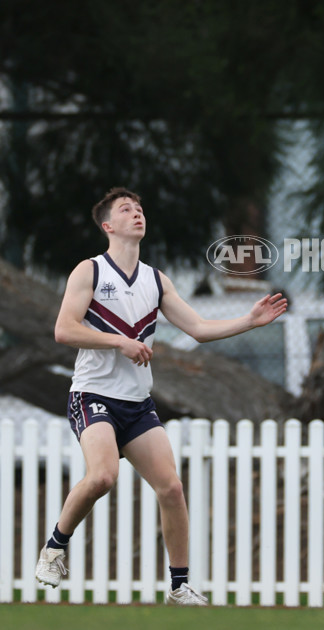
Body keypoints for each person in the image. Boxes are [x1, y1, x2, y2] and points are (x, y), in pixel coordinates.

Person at [35, 187, 287, 605]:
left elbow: (200, 329)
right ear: (108, 226)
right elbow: (64, 330)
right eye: (125, 210)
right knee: (102, 477)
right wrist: (119, 341)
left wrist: (249, 319)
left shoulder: (155, 279)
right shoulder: (90, 271)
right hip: (93, 395)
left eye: (139, 208)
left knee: (171, 488)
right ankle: (55, 546)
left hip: (137, 404)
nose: (137, 214)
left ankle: (179, 587)